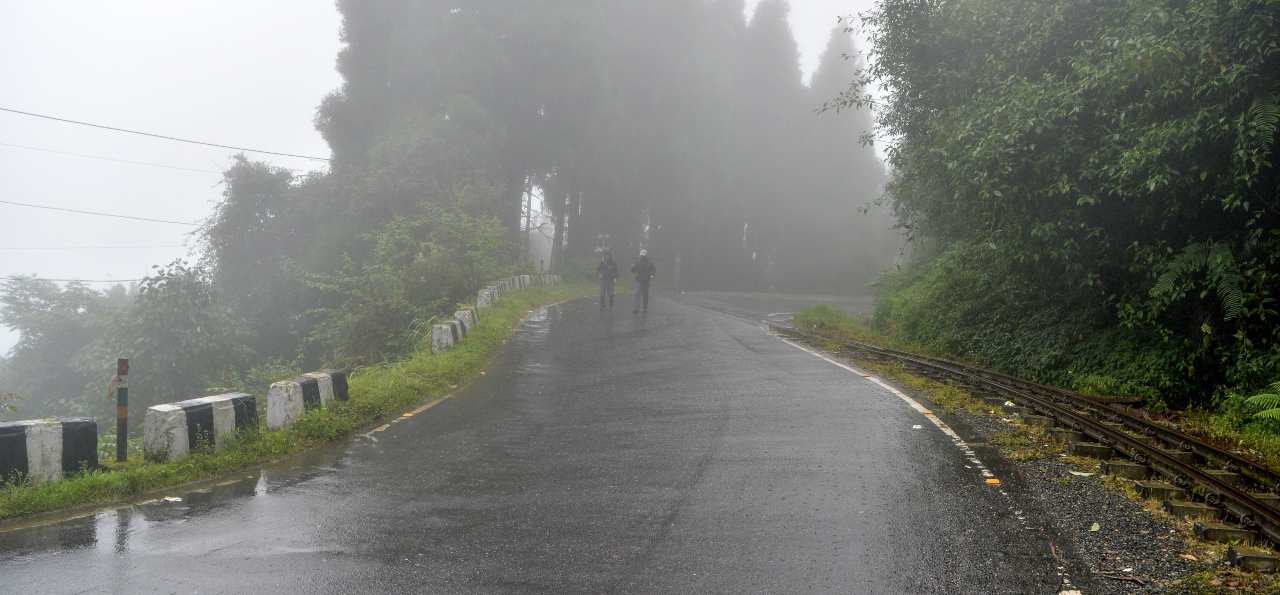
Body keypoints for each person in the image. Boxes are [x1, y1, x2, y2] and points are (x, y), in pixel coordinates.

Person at [630, 249, 656, 314]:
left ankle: (644, 308)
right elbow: (633, 270)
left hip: (646, 281)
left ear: (646, 255)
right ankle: (636, 308)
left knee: (645, 295)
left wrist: (652, 274)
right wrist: (632, 267)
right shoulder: (637, 261)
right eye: (641, 255)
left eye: (643, 255)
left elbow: (653, 270)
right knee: (636, 294)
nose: (642, 256)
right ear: (640, 255)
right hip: (638, 280)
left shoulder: (650, 262)